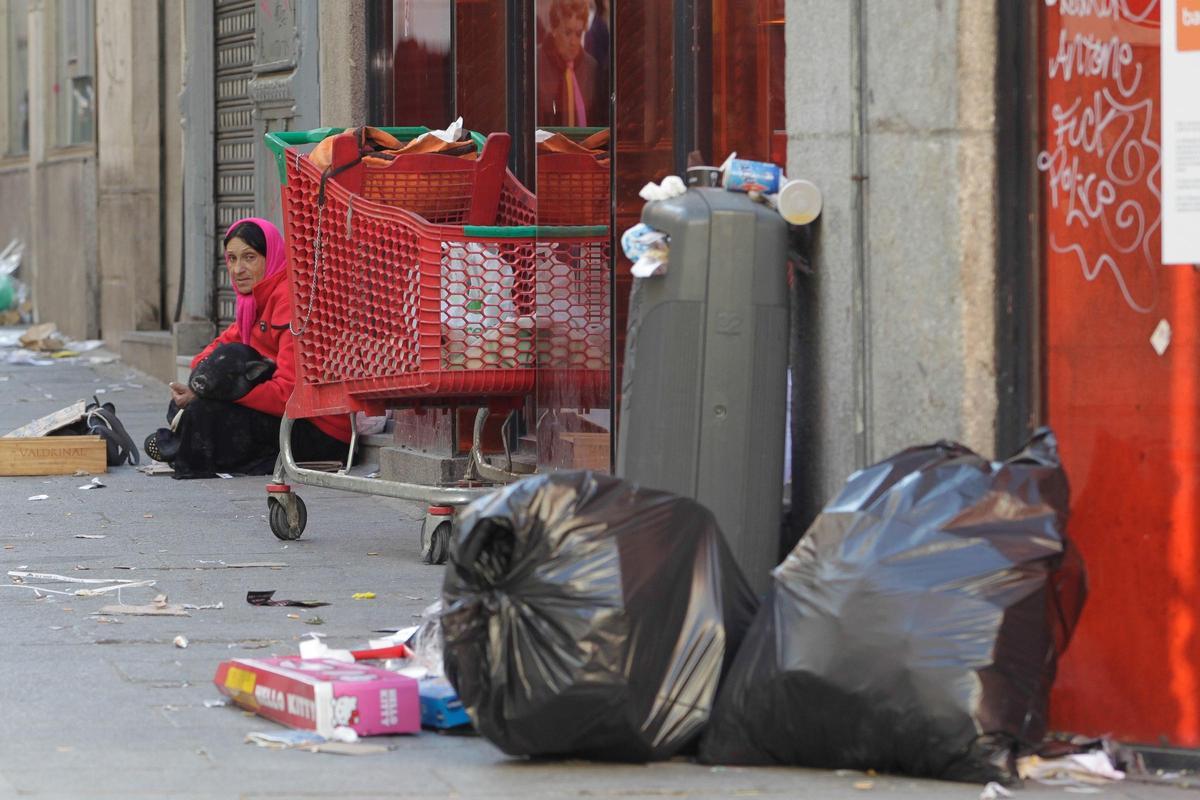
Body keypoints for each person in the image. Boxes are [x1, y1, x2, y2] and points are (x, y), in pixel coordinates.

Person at [144, 218, 352, 478]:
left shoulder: (291, 300)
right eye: (231, 259)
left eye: (249, 257)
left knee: (202, 414)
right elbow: (209, 355)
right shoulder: (252, 304)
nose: (237, 269)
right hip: (280, 413)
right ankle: (181, 443)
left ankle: (178, 446)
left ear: (272, 256)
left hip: (318, 429)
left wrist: (225, 390)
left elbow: (288, 392)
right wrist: (205, 385)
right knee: (186, 406)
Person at [537, 0, 606, 127]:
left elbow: (598, 121)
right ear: (554, 29)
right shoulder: (536, 63)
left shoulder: (591, 67)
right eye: (568, 33)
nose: (574, 42)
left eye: (578, 34)